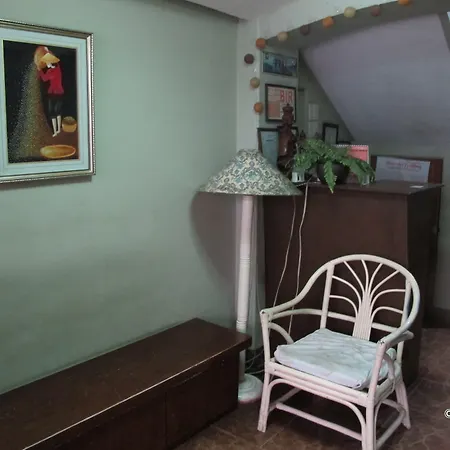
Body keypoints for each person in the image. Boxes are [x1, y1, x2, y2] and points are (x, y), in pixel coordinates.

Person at [37, 49, 64, 137]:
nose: (47, 64)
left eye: (48, 62)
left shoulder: (56, 70)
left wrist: (40, 70)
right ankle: (56, 130)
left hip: (56, 93)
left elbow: (45, 78)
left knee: (55, 112)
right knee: (54, 112)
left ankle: (57, 130)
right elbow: (45, 78)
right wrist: (40, 70)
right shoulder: (52, 70)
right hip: (54, 93)